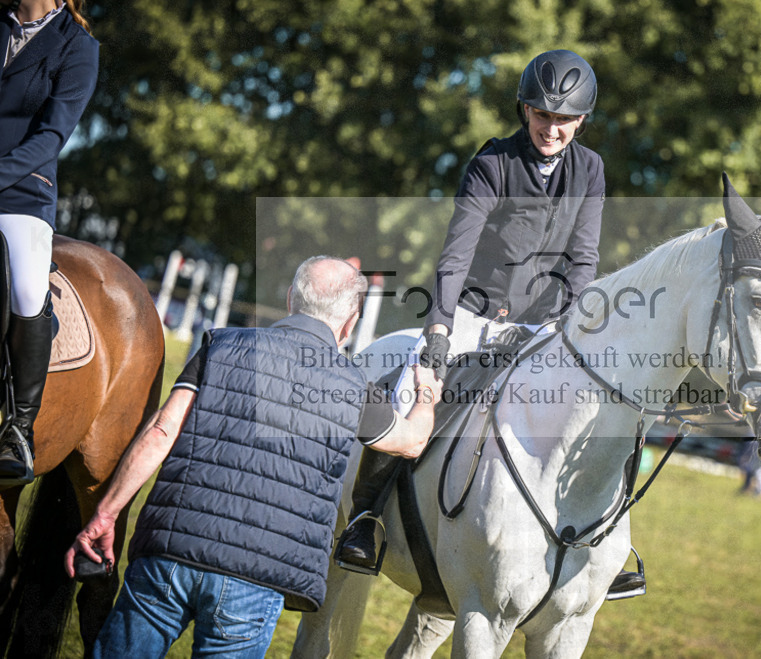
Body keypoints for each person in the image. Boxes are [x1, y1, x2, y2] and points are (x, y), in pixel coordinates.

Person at [336, 49, 643, 599]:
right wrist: (437, 333)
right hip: (477, 314)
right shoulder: (492, 165)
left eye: (564, 119)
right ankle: (366, 517)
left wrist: (567, 326)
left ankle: (609, 542)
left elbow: (583, 261)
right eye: (543, 116)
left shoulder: (590, 170)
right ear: (525, 111)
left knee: (606, 403)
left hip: (546, 325)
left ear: (581, 121)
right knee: (410, 391)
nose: (552, 129)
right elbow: (455, 257)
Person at [64, 257, 443, 657]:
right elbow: (412, 441)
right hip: (256, 580)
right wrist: (428, 390)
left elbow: (161, 431)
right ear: (351, 322)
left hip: (169, 551)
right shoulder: (354, 386)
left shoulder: (220, 343)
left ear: (291, 299)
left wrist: (105, 515)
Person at [0, 0, 99, 485]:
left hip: (21, 192)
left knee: (26, 286)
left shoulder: (78, 48)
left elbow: (52, 136)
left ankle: (17, 428)